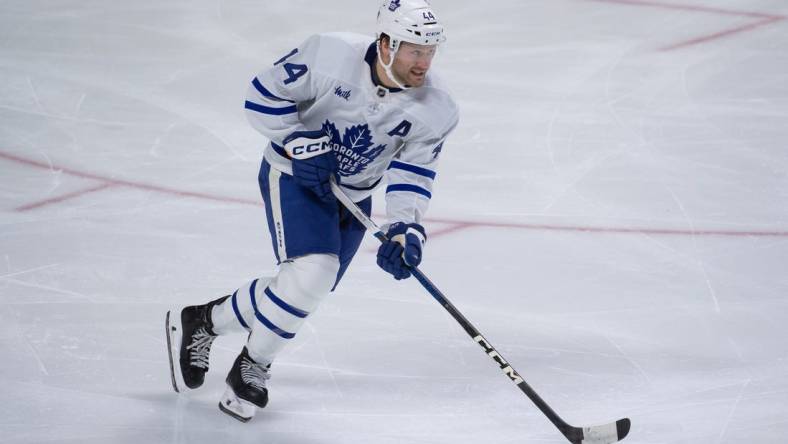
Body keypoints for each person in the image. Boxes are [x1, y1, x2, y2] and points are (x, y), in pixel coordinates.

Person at [165, 0, 459, 422]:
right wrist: (297, 141)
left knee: (304, 289)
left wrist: (404, 230)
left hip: (355, 196)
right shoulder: (330, 54)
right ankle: (253, 367)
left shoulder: (438, 106)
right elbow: (262, 96)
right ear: (386, 44)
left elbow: (413, 173)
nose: (424, 63)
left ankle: (203, 321)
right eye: (415, 50)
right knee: (312, 274)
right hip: (293, 178)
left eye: (430, 52)